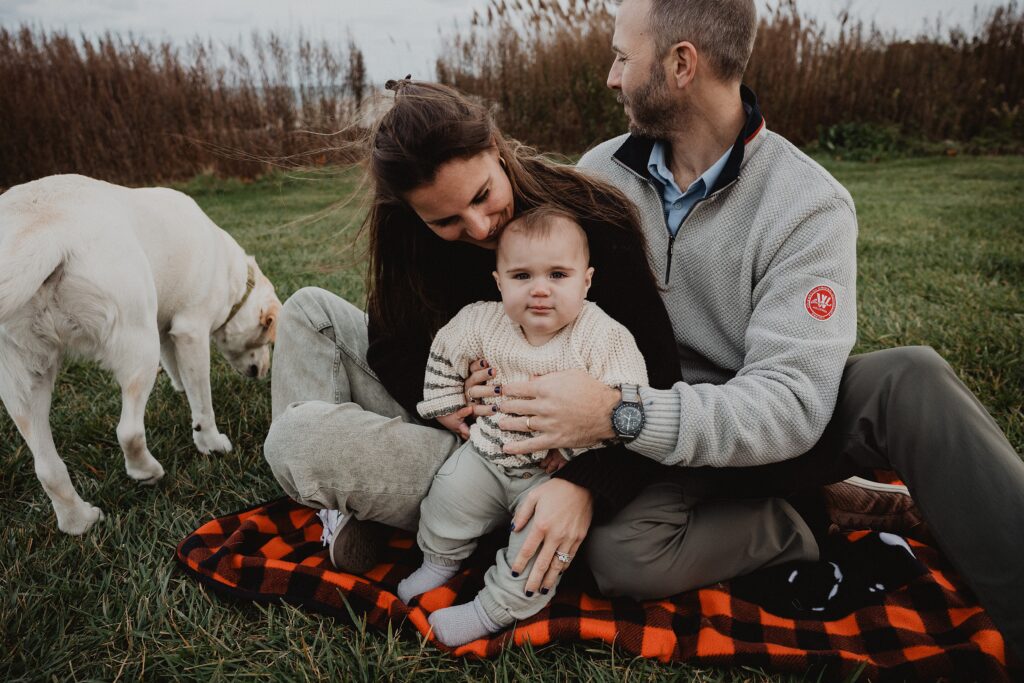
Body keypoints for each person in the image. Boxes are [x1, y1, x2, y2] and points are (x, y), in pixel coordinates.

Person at [485, 0, 1024, 659]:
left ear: (682, 64)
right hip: (659, 435)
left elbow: (793, 404)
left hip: (761, 422)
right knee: (622, 558)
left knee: (909, 379)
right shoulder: (596, 176)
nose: (611, 77)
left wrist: (618, 415)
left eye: (624, 58)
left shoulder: (808, 203)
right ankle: (808, 513)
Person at [263, 78, 828, 627]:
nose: (479, 225)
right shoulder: (407, 233)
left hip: (523, 458)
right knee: (310, 310)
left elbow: (649, 381)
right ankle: (344, 508)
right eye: (446, 221)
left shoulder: (590, 219)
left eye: (482, 196)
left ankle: (385, 506)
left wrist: (584, 486)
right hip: (459, 425)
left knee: (296, 439)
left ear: (496, 149)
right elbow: (390, 344)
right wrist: (446, 397)